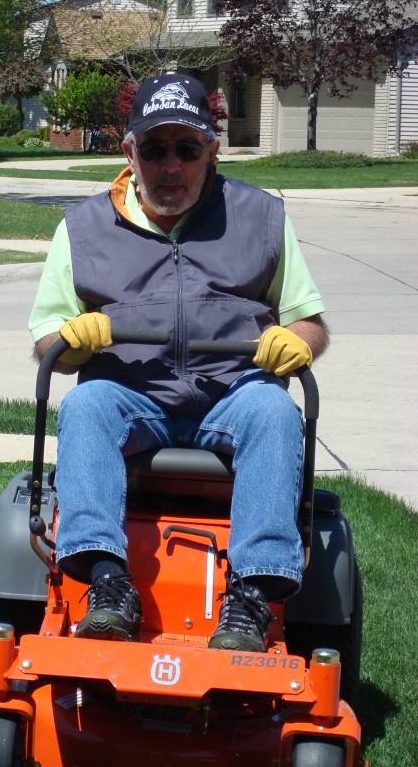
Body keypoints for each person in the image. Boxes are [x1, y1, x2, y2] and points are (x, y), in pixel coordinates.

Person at [28, 72, 328, 652]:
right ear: (129, 152)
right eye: (155, 148)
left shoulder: (261, 217)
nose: (171, 165)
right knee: (86, 402)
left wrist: (299, 342)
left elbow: (308, 321)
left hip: (233, 390)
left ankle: (250, 598)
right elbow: (47, 345)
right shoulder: (82, 228)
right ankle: (108, 586)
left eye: (187, 149)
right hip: (129, 392)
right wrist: (72, 340)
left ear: (211, 151)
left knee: (274, 408)